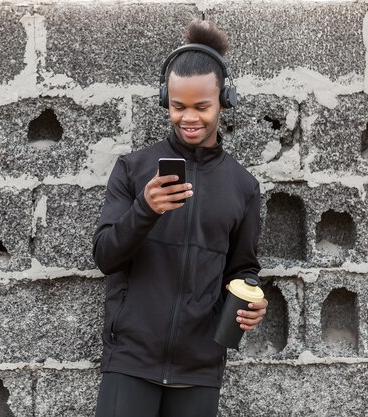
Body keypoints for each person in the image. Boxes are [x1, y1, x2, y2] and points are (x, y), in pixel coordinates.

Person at [91, 20, 268, 417]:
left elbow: (243, 267)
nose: (189, 117)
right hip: (130, 363)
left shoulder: (243, 186)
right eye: (178, 106)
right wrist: (145, 209)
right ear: (164, 101)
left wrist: (251, 300)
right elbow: (105, 256)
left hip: (199, 368)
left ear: (225, 100)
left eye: (202, 106)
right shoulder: (134, 170)